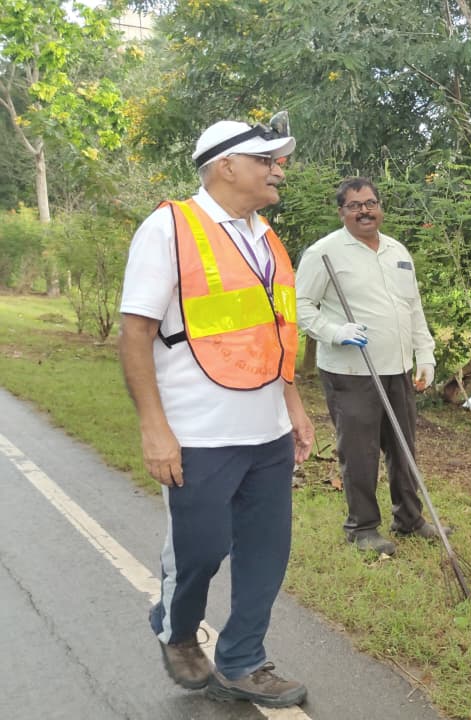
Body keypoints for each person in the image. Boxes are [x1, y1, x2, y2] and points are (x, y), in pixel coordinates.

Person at [119, 119, 314, 707]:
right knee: (200, 551)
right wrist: (154, 427)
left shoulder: (267, 237)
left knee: (266, 553)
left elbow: (274, 333)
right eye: (266, 160)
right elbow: (135, 334)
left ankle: (242, 661)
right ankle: (178, 629)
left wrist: (294, 406)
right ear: (226, 165)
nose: (278, 170)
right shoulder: (169, 228)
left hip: (268, 432)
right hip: (198, 432)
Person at [295, 177, 444, 557]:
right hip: (351, 372)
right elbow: (300, 306)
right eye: (354, 205)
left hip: (397, 368)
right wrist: (334, 332)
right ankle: (361, 528)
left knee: (403, 447)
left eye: (370, 203)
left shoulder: (397, 251)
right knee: (360, 453)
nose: (364, 211)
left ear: (380, 207)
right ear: (341, 212)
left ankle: (409, 518)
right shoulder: (324, 253)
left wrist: (425, 354)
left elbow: (413, 307)